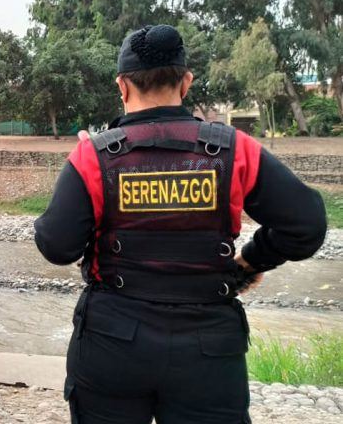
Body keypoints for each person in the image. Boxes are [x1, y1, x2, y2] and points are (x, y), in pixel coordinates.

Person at [34, 24, 326, 424]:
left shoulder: (93, 157)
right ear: (186, 82)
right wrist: (251, 262)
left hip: (112, 344)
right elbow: (307, 225)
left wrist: (84, 179)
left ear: (122, 86)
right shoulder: (234, 149)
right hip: (208, 351)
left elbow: (56, 245)